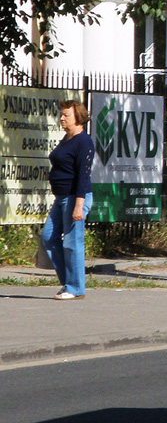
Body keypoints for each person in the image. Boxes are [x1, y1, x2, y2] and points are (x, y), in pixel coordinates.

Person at [42, 99, 95, 301]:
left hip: (75, 197)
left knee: (72, 243)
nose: (62, 118)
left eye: (66, 115)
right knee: (48, 237)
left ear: (78, 117)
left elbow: (83, 175)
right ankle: (69, 282)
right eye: (61, 115)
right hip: (61, 197)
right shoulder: (67, 139)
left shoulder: (84, 141)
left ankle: (75, 288)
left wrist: (79, 205)